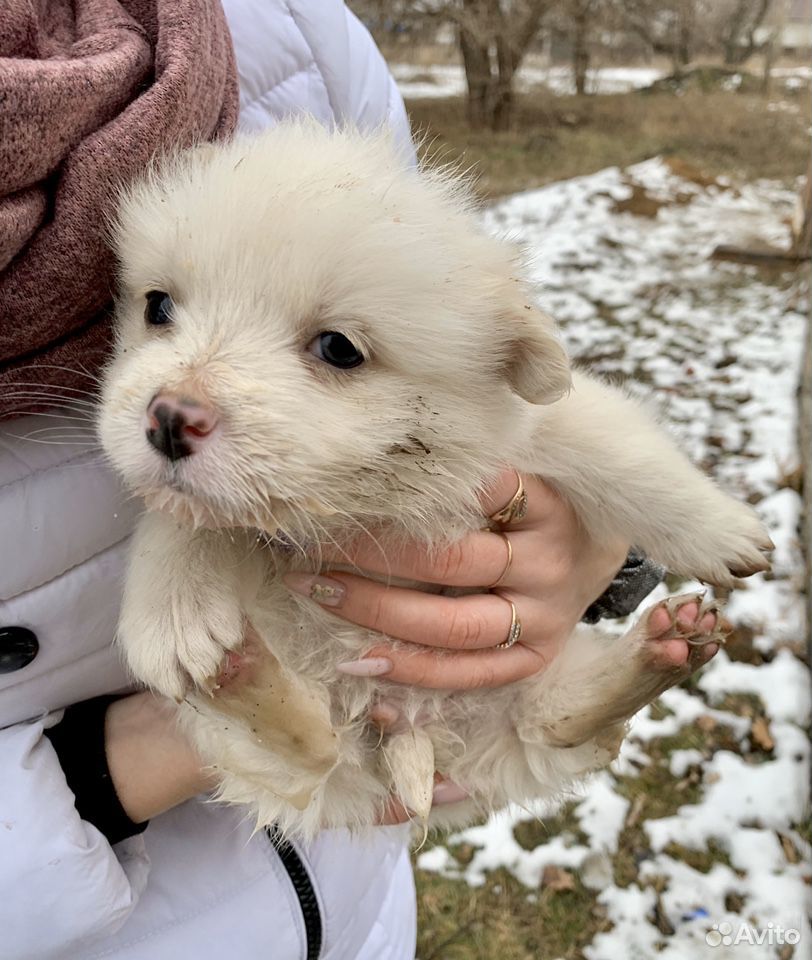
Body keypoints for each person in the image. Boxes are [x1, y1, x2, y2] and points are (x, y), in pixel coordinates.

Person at [0, 2, 662, 957]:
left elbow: (458, 352)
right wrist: (129, 763)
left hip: (361, 916)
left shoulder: (288, 33)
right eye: (157, 308)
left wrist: (582, 545)